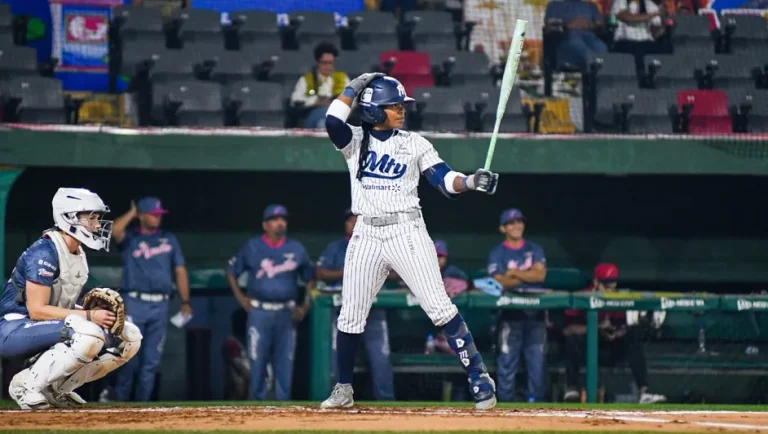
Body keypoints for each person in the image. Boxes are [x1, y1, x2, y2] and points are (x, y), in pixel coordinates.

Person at [320, 73, 500, 410]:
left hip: (407, 231)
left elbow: (445, 181)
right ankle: (344, 388)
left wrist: (472, 181)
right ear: (373, 110)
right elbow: (331, 120)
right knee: (350, 316)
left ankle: (479, 377)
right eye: (393, 106)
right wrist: (353, 88)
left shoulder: (415, 143)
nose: (401, 110)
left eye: (402, 105)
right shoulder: (355, 141)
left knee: (439, 307)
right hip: (367, 233)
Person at [0, 188, 142, 409]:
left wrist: (98, 314)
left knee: (130, 336)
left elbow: (61, 306)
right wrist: (88, 315)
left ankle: (56, 389)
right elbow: (37, 310)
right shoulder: (45, 252)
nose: (97, 225)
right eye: (91, 218)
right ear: (69, 218)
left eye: (97, 218)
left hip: (43, 324)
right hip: (13, 327)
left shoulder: (77, 252)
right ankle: (24, 385)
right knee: (89, 333)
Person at [225, 204, 314, 400]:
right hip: (260, 312)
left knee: (285, 362)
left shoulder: (296, 248)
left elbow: (310, 277)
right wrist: (240, 298)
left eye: (283, 219)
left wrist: (305, 305)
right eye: (275, 219)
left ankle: (283, 409)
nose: (280, 223)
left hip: (286, 313)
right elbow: (231, 271)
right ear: (265, 225)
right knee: (257, 360)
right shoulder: (252, 246)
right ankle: (257, 407)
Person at [110, 197, 191, 402]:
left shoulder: (168, 239)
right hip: (134, 301)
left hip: (160, 303)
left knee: (152, 359)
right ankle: (119, 401)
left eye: (159, 215)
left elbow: (180, 270)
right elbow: (114, 232)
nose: (157, 218)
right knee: (128, 354)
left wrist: (185, 300)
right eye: (153, 214)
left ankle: (142, 404)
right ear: (142, 216)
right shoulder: (131, 238)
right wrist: (131, 213)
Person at [316, 208, 395, 401]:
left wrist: (375, 271)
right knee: (336, 357)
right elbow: (320, 272)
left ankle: (388, 404)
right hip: (344, 309)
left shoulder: (381, 244)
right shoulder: (336, 248)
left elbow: (397, 272)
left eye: (358, 219)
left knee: (381, 358)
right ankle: (335, 397)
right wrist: (348, 270)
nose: (354, 223)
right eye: (350, 220)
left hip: (374, 311)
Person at [562, 263, 667, 404]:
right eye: (606, 284)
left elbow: (622, 326)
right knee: (572, 340)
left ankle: (644, 392)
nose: (610, 288)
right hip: (587, 349)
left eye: (612, 283)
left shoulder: (618, 298)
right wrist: (598, 327)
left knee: (632, 339)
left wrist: (616, 333)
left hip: (609, 347)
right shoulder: (582, 296)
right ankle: (572, 388)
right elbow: (567, 330)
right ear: (596, 282)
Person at [488, 208, 547, 402]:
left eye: (519, 221)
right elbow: (500, 282)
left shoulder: (534, 248)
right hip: (509, 315)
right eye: (511, 223)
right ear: (502, 228)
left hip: (535, 314)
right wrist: (528, 273)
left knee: (536, 363)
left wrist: (514, 273)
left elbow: (541, 275)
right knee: (506, 362)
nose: (517, 226)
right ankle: (505, 407)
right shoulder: (498, 252)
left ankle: (536, 405)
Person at [290, 42, 350, 129]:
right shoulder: (306, 80)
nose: (328, 66)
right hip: (312, 116)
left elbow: (353, 100)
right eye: (324, 63)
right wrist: (315, 102)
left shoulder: (343, 78)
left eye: (331, 63)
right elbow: (295, 101)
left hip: (338, 118)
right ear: (317, 62)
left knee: (323, 123)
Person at [611, 0, 667, 71]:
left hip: (646, 42)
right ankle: (641, 77)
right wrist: (653, 14)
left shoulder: (650, 4)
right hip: (624, 41)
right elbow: (628, 18)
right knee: (639, 49)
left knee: (666, 49)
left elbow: (655, 33)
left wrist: (665, 28)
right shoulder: (620, 2)